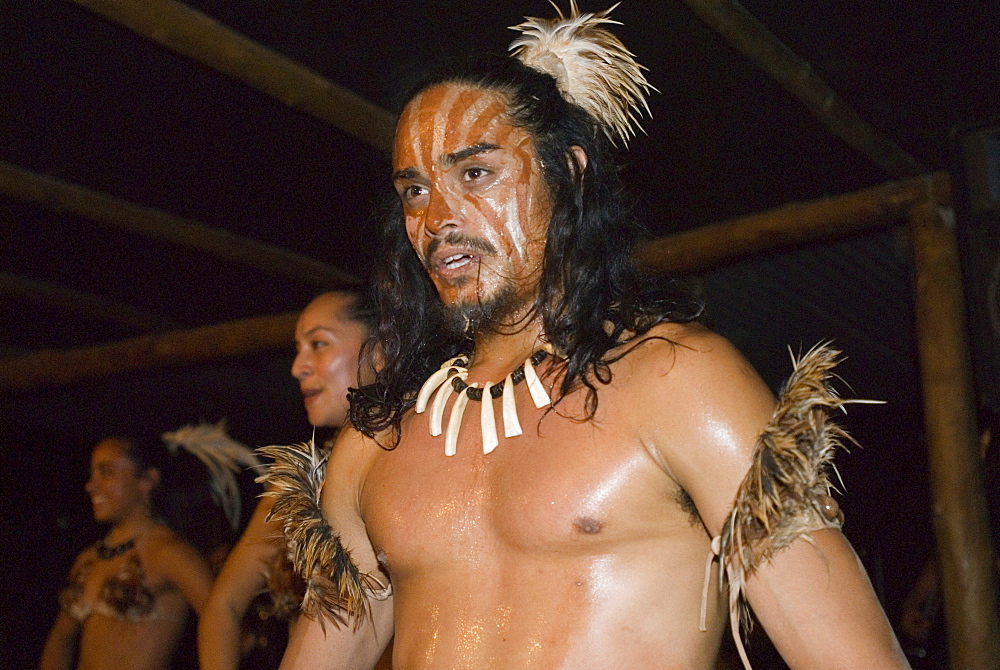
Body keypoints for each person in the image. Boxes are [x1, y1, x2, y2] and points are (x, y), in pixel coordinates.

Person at [274, 4, 910, 669]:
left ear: (569, 171)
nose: (437, 218)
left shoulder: (679, 383)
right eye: (414, 191)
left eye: (475, 174)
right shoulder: (374, 448)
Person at [198, 291, 382, 670]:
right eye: (298, 349)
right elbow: (224, 605)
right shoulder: (301, 483)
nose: (298, 366)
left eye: (318, 344)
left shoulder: (423, 465)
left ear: (382, 347)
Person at [40, 422, 254, 670]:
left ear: (147, 480)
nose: (91, 485)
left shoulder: (169, 553)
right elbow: (61, 639)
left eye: (106, 472)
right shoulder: (88, 559)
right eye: (92, 474)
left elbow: (238, 636)